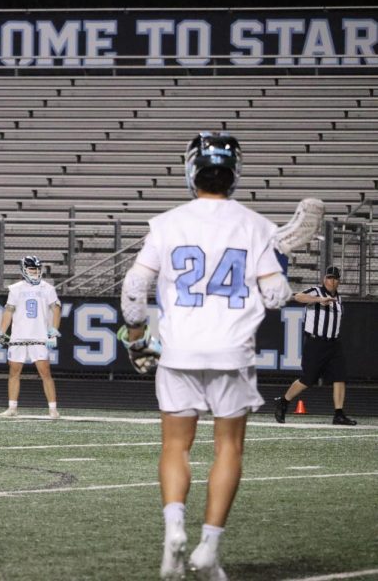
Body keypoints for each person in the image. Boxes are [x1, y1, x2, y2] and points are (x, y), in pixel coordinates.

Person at [117, 132, 292, 580]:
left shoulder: (168, 222)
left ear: (191, 170)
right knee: (228, 447)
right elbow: (275, 296)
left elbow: (134, 290)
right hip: (233, 351)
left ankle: (174, 529)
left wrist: (137, 336)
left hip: (179, 349)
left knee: (176, 445)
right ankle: (208, 548)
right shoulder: (255, 225)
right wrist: (279, 265)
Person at [274, 266, 356, 426]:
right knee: (307, 379)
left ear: (338, 281)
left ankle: (338, 414)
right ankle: (283, 401)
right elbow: (298, 297)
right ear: (324, 279)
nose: (330, 281)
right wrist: (319, 301)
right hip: (315, 342)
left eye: (334, 278)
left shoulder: (339, 298)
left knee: (340, 377)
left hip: (333, 344)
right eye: (328, 277)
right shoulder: (316, 292)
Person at [0, 255, 62, 419]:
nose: (35, 273)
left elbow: (57, 309)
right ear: (24, 270)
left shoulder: (47, 288)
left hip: (39, 336)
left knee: (45, 372)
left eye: (37, 269)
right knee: (14, 372)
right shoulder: (16, 289)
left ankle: (53, 409)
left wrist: (53, 331)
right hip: (19, 336)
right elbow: (8, 312)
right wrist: (1, 333)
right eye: (32, 269)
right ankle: (12, 407)